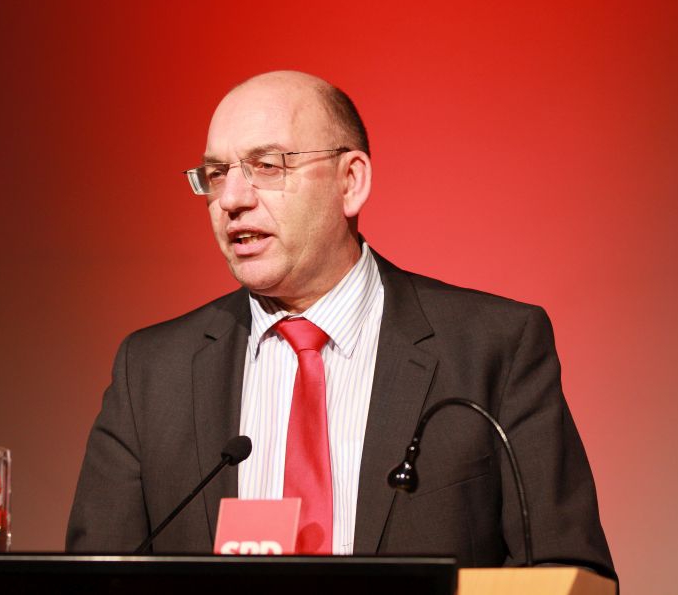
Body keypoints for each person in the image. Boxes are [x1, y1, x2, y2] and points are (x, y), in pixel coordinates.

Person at [66, 71, 614, 576]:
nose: (231, 199)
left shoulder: (494, 347)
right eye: (216, 174)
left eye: (267, 166)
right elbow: (88, 586)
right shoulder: (151, 373)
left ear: (350, 181)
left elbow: (568, 574)